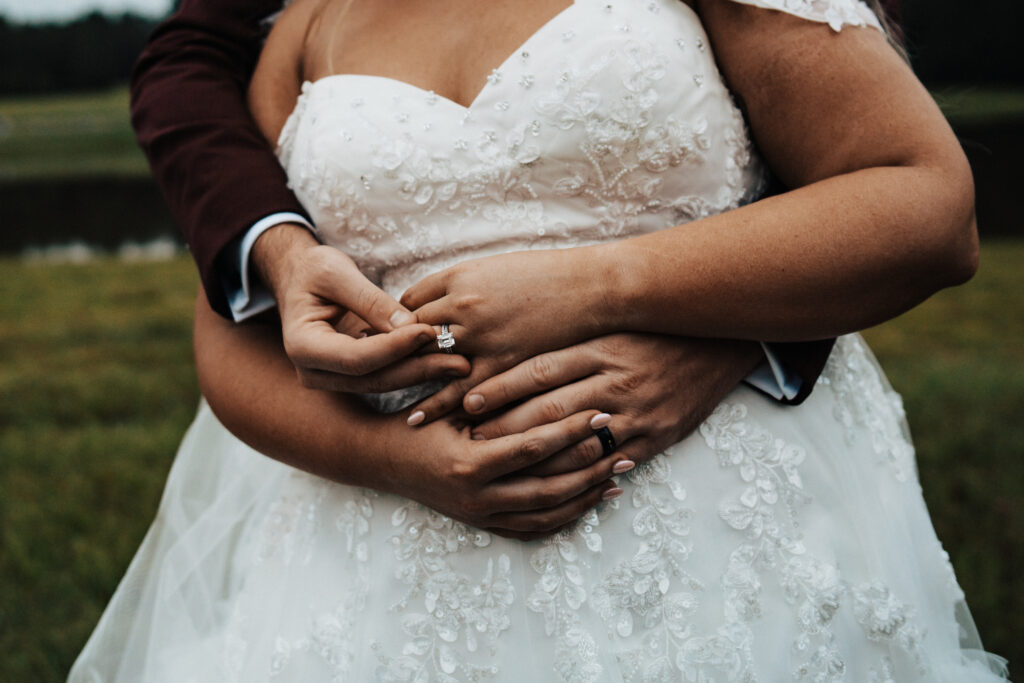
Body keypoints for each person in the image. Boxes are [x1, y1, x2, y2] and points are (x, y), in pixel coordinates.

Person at [71, 0, 1008, 681]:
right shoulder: (307, 22)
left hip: (723, 542)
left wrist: (594, 285)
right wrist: (395, 461)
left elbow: (926, 204)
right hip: (379, 579)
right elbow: (233, 333)